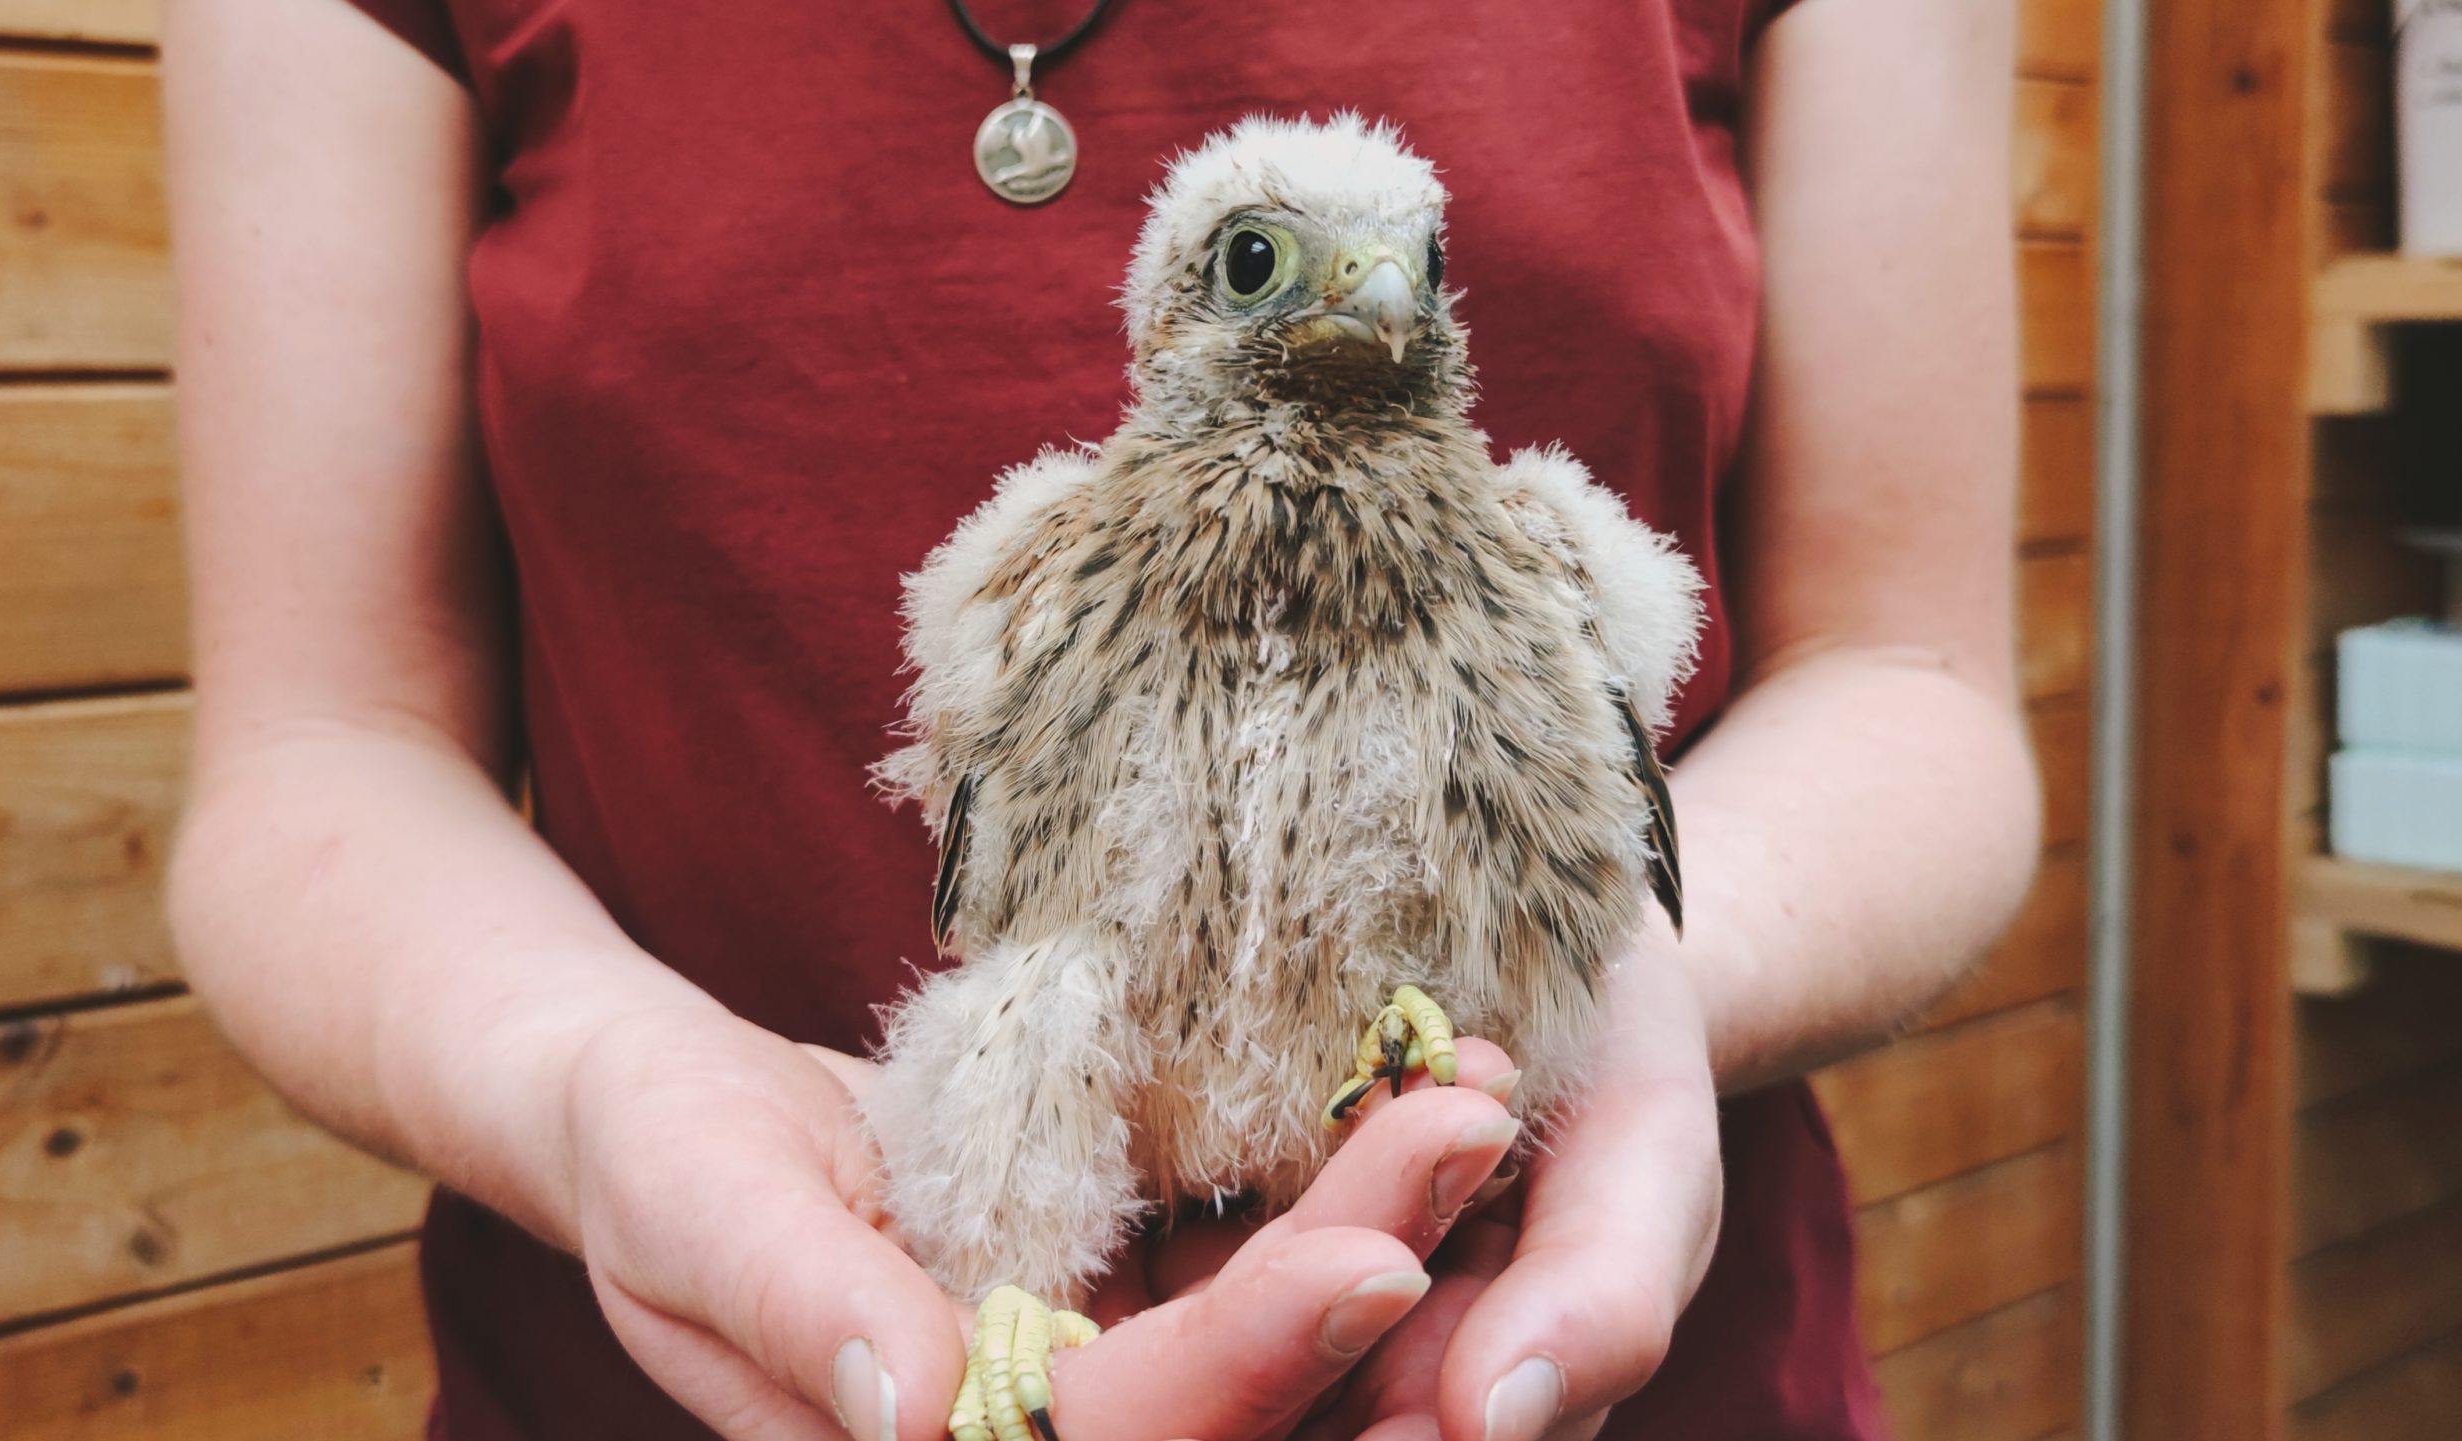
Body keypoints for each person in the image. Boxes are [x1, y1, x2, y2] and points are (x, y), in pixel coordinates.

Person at [158, 1, 2036, 1438]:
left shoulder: (1531, 552)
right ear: (1170, 311)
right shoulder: (1043, 573)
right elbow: (326, 744)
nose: (1365, 297)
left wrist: (1609, 996)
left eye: (1405, 266)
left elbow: (1913, 674)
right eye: (1266, 266)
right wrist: (590, 1081)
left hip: (1561, 1336)